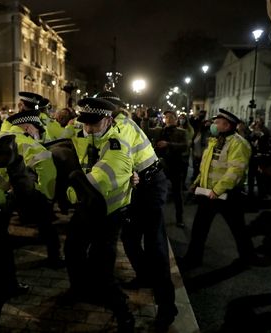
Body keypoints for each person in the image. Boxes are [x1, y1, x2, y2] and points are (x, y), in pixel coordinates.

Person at [0, 108, 59, 332]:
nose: (39, 134)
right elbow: (48, 174)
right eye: (37, 129)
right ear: (27, 128)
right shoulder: (27, 143)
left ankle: (12, 285)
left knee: (2, 249)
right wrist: (44, 200)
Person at [95, 90, 178, 331]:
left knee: (156, 248)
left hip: (150, 187)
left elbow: (120, 158)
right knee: (130, 238)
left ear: (110, 111)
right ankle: (144, 276)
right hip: (138, 186)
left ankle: (168, 307)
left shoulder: (122, 126)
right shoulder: (109, 127)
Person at [65, 97, 135, 332]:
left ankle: (122, 309)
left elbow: (96, 183)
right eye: (85, 122)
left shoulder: (117, 146)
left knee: (102, 266)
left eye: (93, 123)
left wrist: (69, 193)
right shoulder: (89, 135)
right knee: (73, 250)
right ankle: (79, 290)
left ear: (107, 119)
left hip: (107, 213)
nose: (87, 128)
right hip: (88, 209)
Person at [180, 109, 265, 269]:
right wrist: (197, 182)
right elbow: (207, 167)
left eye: (217, 122)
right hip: (208, 193)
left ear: (227, 125)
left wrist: (217, 190)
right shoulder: (216, 141)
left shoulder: (238, 143)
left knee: (238, 228)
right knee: (199, 229)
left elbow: (235, 170)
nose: (213, 125)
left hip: (227, 195)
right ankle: (193, 258)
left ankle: (248, 257)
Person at [142, 110, 188, 227]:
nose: (168, 119)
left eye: (171, 117)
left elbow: (185, 146)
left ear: (176, 119)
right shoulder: (159, 130)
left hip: (175, 165)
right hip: (160, 165)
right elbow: (145, 132)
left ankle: (180, 218)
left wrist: (168, 144)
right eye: (166, 117)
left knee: (177, 192)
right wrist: (146, 119)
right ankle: (153, 217)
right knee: (155, 190)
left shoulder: (181, 132)